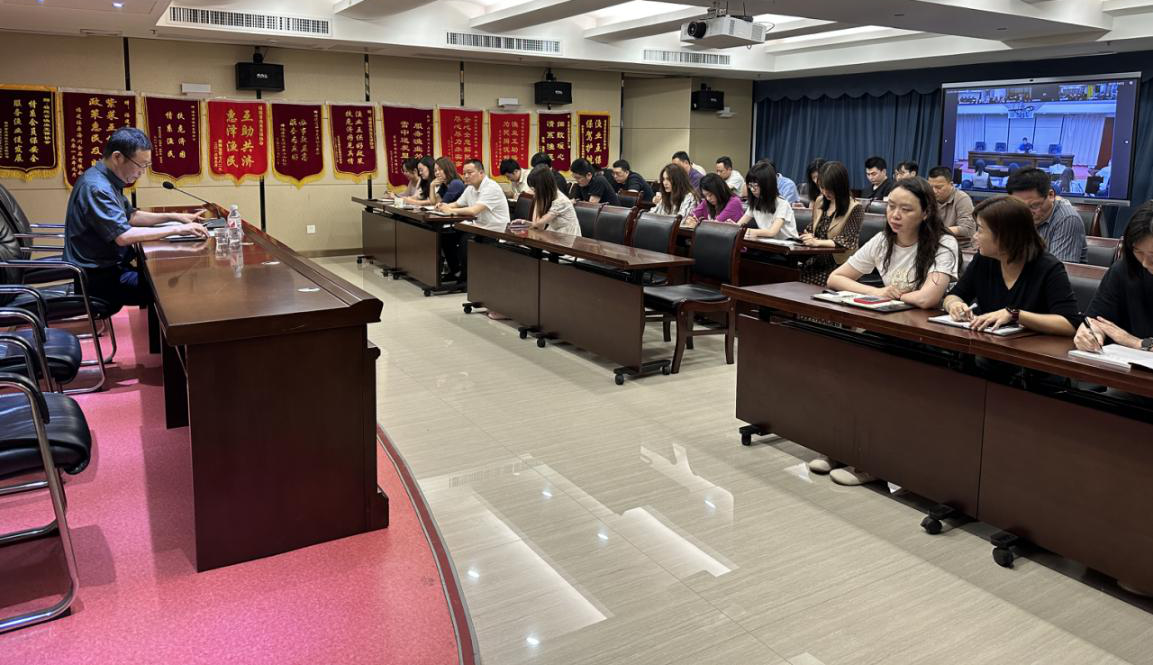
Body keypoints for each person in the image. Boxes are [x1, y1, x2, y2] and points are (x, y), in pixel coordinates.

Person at [818, 177, 961, 485]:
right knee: (847, 372)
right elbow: (836, 278)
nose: (895, 215)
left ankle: (873, 464)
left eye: (906, 209)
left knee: (883, 385)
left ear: (925, 212)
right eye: (891, 206)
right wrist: (877, 293)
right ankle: (840, 449)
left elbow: (928, 298)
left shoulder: (943, 243)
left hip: (926, 339)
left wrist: (894, 296)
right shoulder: (884, 240)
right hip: (889, 328)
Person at [63, 127, 208, 308]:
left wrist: (175, 217)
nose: (142, 172)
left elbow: (131, 215)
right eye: (141, 165)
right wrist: (177, 229)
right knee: (166, 286)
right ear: (117, 157)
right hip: (98, 279)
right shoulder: (97, 187)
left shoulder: (106, 179)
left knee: (165, 277)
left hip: (110, 267)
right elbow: (124, 236)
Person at [943, 195, 1079, 336]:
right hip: (985, 341)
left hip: (1030, 346)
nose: (975, 236)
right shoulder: (983, 259)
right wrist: (954, 305)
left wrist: (1016, 315)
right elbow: (954, 295)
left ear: (1005, 235)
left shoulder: (1048, 267)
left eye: (980, 230)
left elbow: (1069, 324)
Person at [1075, 201, 1153, 355]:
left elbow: (1126, 339)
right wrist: (1091, 334)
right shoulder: (1124, 269)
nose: (1145, 263)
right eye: (1138, 252)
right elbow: (1096, 319)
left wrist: (1136, 343)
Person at [437, 159, 511, 281]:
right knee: (446, 236)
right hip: (479, 227)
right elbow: (457, 204)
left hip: (494, 231)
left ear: (481, 173)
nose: (466, 176)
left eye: (470, 172)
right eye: (464, 173)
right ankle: (456, 272)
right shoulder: (470, 188)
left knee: (465, 240)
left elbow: (474, 211)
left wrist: (451, 210)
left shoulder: (491, 187)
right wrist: (443, 206)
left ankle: (466, 280)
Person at [799, 161, 863, 286]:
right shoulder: (820, 201)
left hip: (838, 265)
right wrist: (808, 235)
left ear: (840, 186)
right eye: (822, 187)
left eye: (829, 189)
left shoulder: (855, 208)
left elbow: (846, 241)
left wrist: (817, 242)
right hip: (815, 259)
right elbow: (812, 228)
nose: (825, 192)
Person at [1005, 167, 1087, 263]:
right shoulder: (1015, 213)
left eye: (1034, 205)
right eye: (1021, 207)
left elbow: (1059, 269)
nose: (1026, 213)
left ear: (1051, 195)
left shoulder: (1068, 219)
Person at [737, 163, 796, 240]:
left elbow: (772, 232)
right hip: (767, 242)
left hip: (789, 244)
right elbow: (739, 225)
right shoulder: (755, 202)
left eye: (755, 185)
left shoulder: (782, 203)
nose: (752, 189)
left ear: (767, 185)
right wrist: (732, 226)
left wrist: (746, 231)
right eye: (750, 185)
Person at [522, 165, 581, 236]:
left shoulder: (561, 201)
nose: (533, 190)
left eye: (534, 188)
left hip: (568, 236)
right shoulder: (543, 197)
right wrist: (524, 223)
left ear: (544, 186)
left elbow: (540, 223)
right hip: (555, 234)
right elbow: (539, 226)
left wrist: (525, 223)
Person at [927, 166, 976, 251]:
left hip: (960, 248)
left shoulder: (962, 198)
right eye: (930, 187)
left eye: (939, 187)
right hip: (934, 245)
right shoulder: (928, 198)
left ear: (951, 185)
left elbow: (967, 229)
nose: (934, 191)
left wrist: (938, 231)